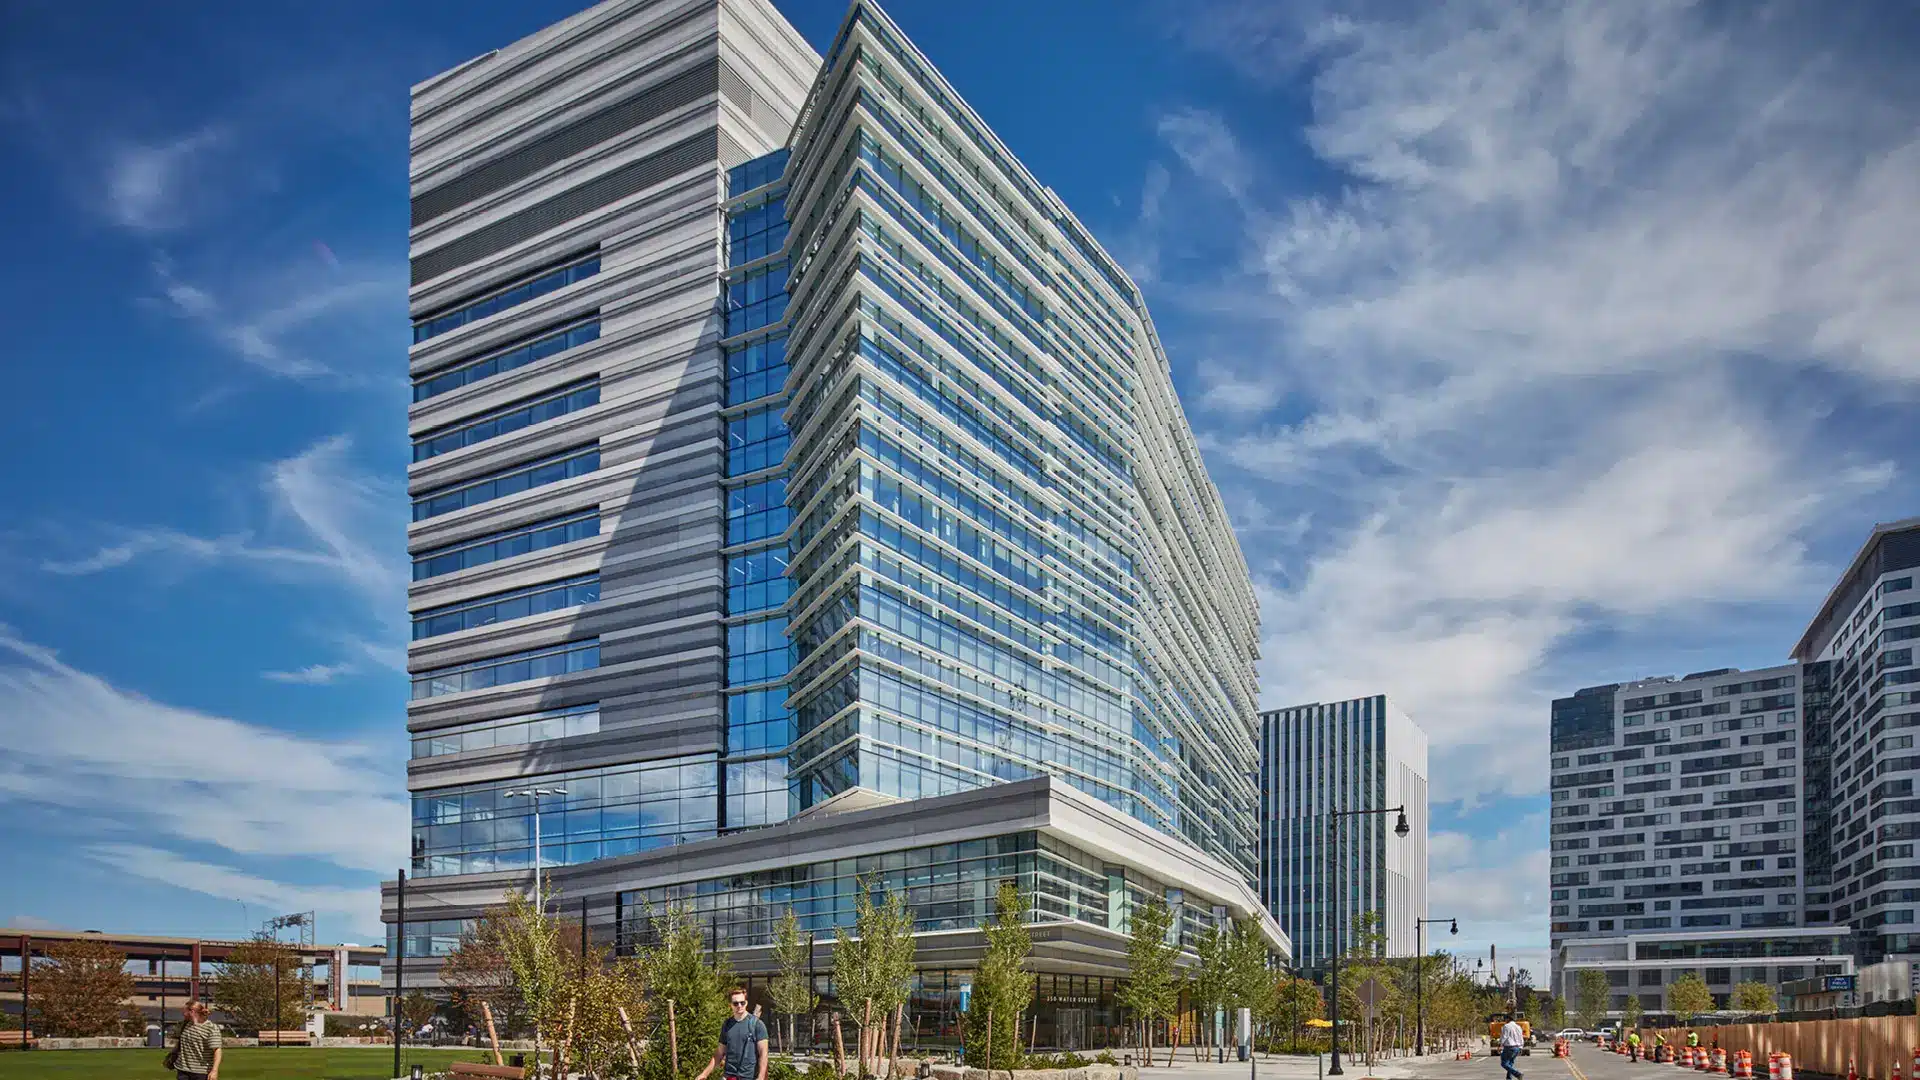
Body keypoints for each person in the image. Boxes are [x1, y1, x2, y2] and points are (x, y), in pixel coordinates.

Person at [694, 988, 770, 1080]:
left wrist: (761, 1077)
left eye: (742, 1002)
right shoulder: (727, 1025)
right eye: (735, 1003)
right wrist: (704, 1074)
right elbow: (719, 1053)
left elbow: (763, 1054)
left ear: (746, 1003)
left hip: (749, 1077)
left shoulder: (757, 1025)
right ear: (730, 1005)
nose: (739, 1006)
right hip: (729, 1077)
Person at [170, 1002, 222, 1080]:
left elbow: (217, 1050)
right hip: (182, 1070)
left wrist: (214, 1071)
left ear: (192, 1012)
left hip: (200, 1072)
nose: (182, 1014)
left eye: (184, 1011)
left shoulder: (211, 1028)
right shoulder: (186, 1024)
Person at [1500, 1014, 1526, 1080]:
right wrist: (1521, 1047)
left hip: (1509, 1047)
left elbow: (1504, 1037)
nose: (1505, 1020)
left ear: (1508, 1019)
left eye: (1505, 1019)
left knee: (1504, 1063)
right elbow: (1521, 1037)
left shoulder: (1506, 1026)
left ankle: (1517, 1074)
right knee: (1510, 1063)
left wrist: (1500, 1045)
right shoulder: (1518, 1027)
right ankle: (1509, 1078)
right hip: (1517, 1047)